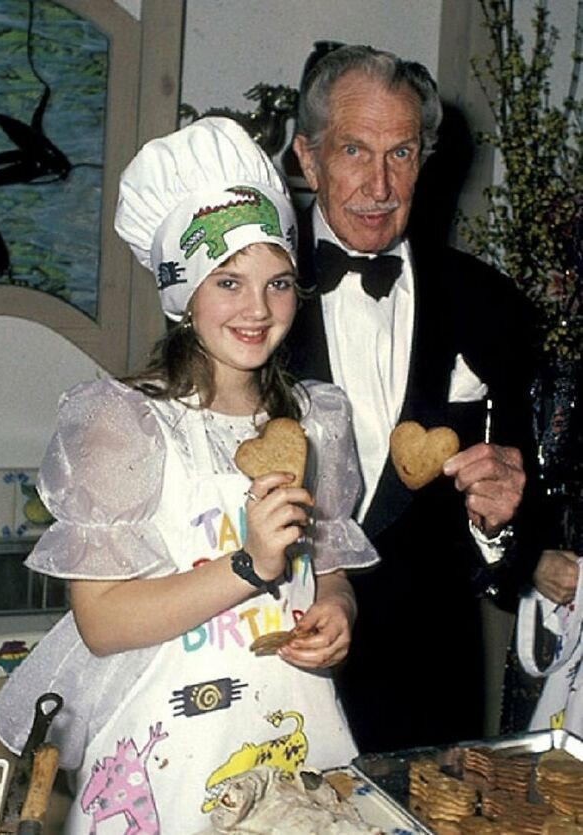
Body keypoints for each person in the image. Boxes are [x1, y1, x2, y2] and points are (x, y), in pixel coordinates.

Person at [0, 116, 378, 834]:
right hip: (168, 760)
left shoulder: (316, 421)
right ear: (183, 295)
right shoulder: (124, 424)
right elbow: (102, 621)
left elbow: (330, 567)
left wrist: (338, 610)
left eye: (278, 282)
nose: (258, 309)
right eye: (228, 281)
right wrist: (250, 565)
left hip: (294, 734)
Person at [285, 44, 546, 753]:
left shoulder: (488, 305)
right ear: (308, 161)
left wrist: (499, 525)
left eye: (401, 153)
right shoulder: (242, 298)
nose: (379, 183)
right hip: (278, 673)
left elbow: (514, 538)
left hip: (429, 691)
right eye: (354, 151)